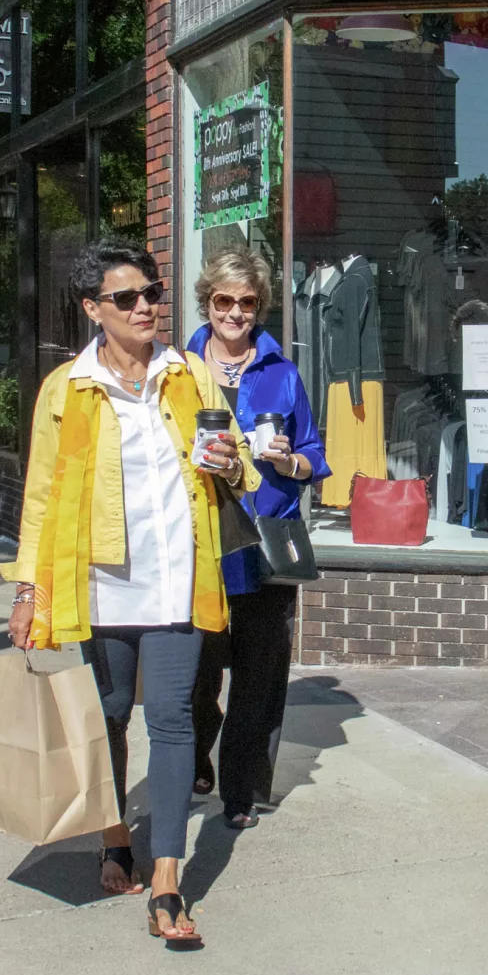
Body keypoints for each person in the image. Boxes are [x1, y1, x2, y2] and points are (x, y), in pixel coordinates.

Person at [3, 238, 258, 946]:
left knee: (173, 718)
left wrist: (231, 462)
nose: (145, 306)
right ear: (93, 309)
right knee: (109, 713)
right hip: (98, 581)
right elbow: (43, 495)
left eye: (150, 293)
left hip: (178, 574)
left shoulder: (190, 376)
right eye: (126, 298)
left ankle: (169, 880)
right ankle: (115, 835)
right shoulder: (67, 389)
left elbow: (240, 472)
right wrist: (30, 587)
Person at [186, 248, 330, 829]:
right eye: (225, 300)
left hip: (266, 543)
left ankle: (240, 791)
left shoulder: (282, 372)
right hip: (200, 542)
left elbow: (317, 455)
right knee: (196, 671)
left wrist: (292, 461)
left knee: (258, 676)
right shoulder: (178, 366)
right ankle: (198, 750)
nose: (236, 313)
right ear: (208, 301)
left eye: (247, 302)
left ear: (259, 307)